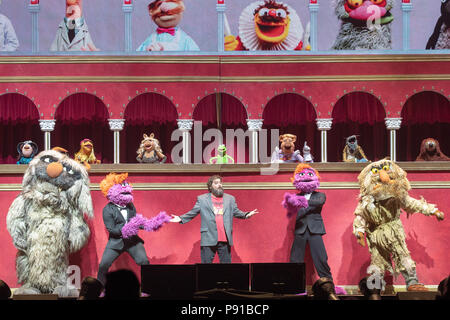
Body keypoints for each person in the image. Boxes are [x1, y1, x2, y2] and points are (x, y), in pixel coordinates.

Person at [170, 175, 258, 263]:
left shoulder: (230, 199)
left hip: (225, 239)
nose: (219, 185)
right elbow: (193, 212)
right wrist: (180, 218)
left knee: (227, 268)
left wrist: (246, 215)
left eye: (220, 183)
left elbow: (236, 211)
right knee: (205, 268)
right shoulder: (202, 199)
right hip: (208, 238)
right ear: (210, 186)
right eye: (216, 183)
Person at [97, 173, 150, 285]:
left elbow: (135, 220)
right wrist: (126, 228)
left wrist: (145, 224)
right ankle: (99, 289)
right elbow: (111, 229)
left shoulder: (130, 206)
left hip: (132, 241)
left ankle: (147, 288)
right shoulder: (107, 210)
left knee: (144, 262)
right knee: (103, 265)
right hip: (116, 242)